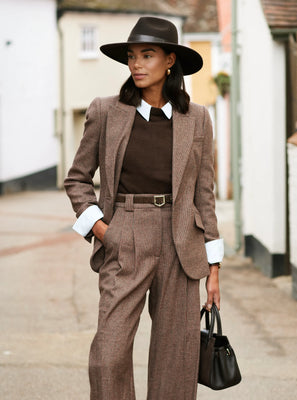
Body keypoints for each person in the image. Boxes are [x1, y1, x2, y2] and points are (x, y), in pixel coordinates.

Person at [64, 16, 224, 400]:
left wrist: (214, 268)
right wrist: (103, 230)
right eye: (132, 56)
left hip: (181, 239)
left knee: (176, 358)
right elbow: (77, 180)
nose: (136, 64)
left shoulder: (197, 119)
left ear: (170, 60)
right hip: (125, 233)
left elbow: (205, 194)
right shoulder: (106, 111)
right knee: (108, 353)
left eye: (147, 55)